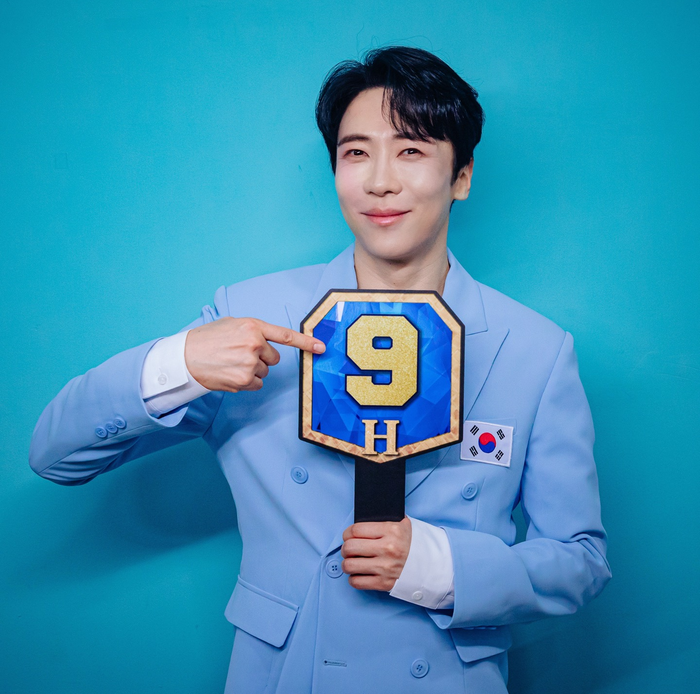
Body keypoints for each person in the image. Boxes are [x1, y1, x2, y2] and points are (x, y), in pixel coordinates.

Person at [30, 46, 611, 693]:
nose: (380, 181)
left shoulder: (533, 349)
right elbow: (55, 455)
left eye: (411, 150)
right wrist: (178, 361)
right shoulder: (252, 314)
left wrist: (441, 568)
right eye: (356, 152)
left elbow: (580, 561)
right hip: (287, 674)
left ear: (462, 175)